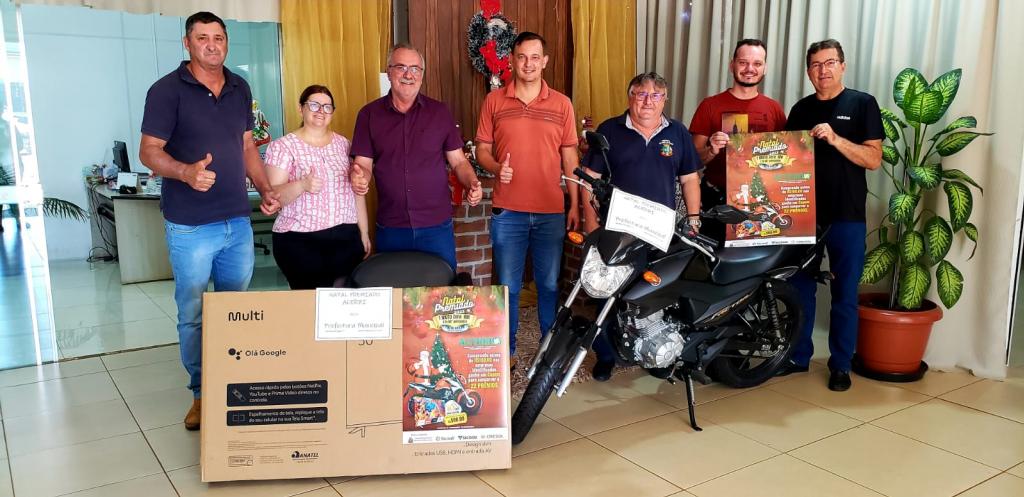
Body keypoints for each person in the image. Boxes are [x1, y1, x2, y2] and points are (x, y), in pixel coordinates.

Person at [138, 11, 280, 430]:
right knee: (195, 313)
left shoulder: (240, 87)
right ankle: (201, 394)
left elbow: (247, 145)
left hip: (236, 221)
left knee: (234, 311)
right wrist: (185, 172)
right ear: (188, 43)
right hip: (190, 225)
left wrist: (264, 187)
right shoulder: (166, 91)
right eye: (202, 38)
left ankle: (230, 386)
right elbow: (149, 150)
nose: (212, 45)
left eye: (218, 37)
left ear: (226, 42)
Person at [581, 72, 703, 381]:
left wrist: (693, 218)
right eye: (641, 94)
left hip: (660, 232)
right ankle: (607, 356)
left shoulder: (677, 132)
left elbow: (690, 179)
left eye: (656, 95)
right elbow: (590, 179)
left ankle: (653, 349)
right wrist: (591, 223)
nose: (648, 101)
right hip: (617, 229)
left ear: (665, 100)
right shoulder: (610, 129)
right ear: (630, 97)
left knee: (653, 293)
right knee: (607, 295)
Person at [779, 39, 883, 392]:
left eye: (829, 63)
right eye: (815, 65)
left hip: (846, 215)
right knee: (800, 288)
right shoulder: (800, 109)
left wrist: (836, 139)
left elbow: (873, 159)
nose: (822, 70)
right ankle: (797, 357)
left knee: (845, 292)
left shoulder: (862, 103)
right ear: (808, 71)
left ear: (842, 65)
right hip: (802, 215)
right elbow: (785, 162)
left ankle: (840, 364)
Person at [475, 32, 580, 367]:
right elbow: (482, 150)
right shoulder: (494, 101)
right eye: (522, 57)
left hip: (551, 211)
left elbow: (570, 158)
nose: (528, 64)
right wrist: (495, 168)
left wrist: (575, 204)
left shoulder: (562, 104)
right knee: (508, 287)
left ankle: (548, 351)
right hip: (509, 212)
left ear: (544, 61)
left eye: (535, 57)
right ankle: (506, 352)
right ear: (512, 60)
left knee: (549, 285)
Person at [349, 43, 482, 271]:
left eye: (415, 69)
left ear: (422, 74)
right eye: (401, 67)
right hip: (392, 227)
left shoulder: (439, 112)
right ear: (389, 72)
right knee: (394, 290)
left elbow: (459, 161)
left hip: (436, 227)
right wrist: (360, 178)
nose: (408, 75)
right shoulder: (368, 115)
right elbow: (363, 164)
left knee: (442, 290)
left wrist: (472, 182)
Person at [265, 85, 370, 289]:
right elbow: (274, 197)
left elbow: (357, 191)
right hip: (299, 240)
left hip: (345, 237)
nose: (321, 111)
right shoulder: (283, 147)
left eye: (327, 107)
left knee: (342, 299)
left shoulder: (344, 145)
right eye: (314, 105)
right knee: (309, 301)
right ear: (301, 108)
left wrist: (364, 232)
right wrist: (301, 185)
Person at [689, 39, 787, 239]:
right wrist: (712, 150)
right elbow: (691, 161)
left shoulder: (774, 108)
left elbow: (786, 160)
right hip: (717, 201)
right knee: (715, 256)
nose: (750, 69)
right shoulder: (710, 106)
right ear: (732, 65)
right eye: (743, 62)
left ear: (765, 68)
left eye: (757, 63)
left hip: (762, 201)